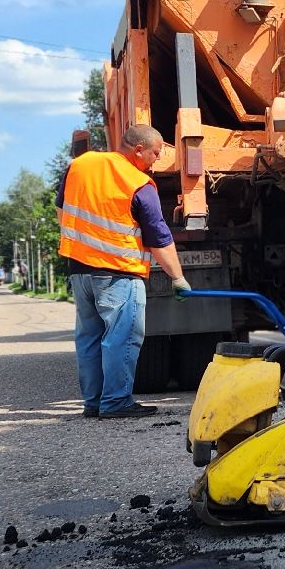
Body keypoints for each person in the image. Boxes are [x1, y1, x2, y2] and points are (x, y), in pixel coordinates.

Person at [56, 123, 190, 419]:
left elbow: (61, 210)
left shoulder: (80, 165)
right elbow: (159, 238)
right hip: (119, 273)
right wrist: (178, 278)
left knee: (89, 337)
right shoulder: (138, 183)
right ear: (138, 150)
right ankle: (116, 401)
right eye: (156, 153)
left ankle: (93, 403)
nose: (157, 160)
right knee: (122, 336)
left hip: (79, 270)